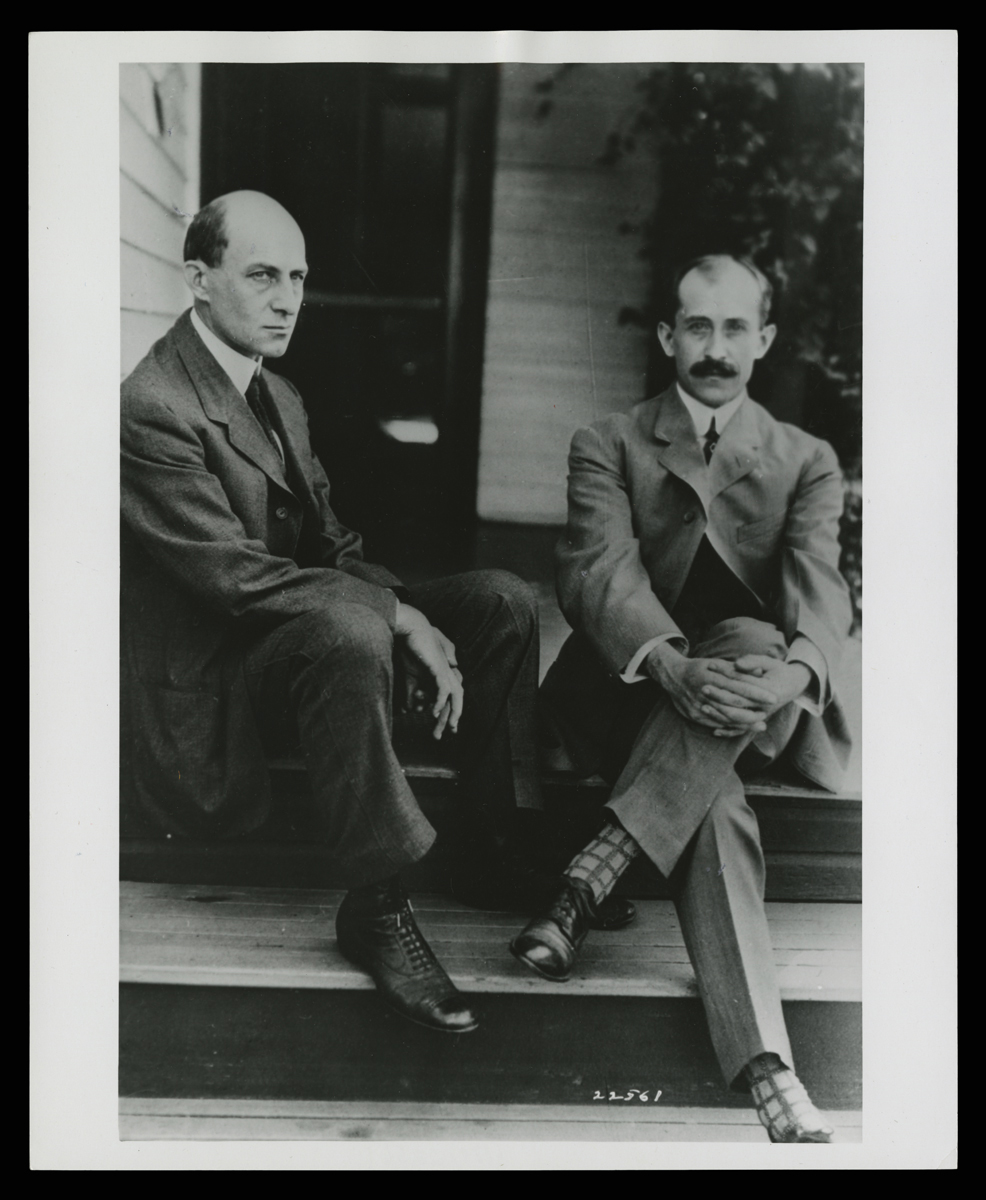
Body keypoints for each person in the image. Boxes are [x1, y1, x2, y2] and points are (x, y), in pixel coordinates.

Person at [120, 190, 613, 1036]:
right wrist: (396, 617)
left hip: (290, 642)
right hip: (218, 688)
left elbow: (334, 546)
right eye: (263, 276)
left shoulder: (278, 393)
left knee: (500, 600)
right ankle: (377, 905)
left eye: (298, 277)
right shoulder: (154, 405)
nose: (288, 300)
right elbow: (235, 580)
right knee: (352, 628)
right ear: (198, 279)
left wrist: (410, 612)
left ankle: (488, 848)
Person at [511, 253, 853, 1142]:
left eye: (735, 328)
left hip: (748, 697)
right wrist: (669, 667)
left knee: (755, 643)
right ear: (668, 336)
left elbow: (819, 592)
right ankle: (769, 1067)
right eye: (698, 326)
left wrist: (792, 677)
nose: (715, 348)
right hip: (626, 690)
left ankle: (589, 878)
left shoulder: (806, 460)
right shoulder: (609, 441)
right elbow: (597, 575)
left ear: (764, 340)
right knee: (718, 800)